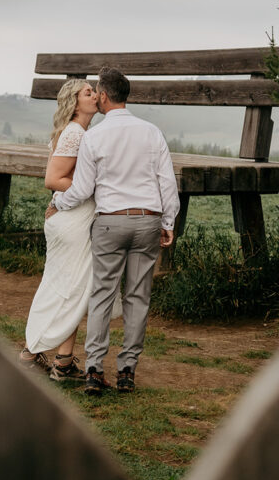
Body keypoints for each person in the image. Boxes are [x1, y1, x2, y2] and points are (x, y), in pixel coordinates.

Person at [47, 66, 180, 395]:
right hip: (147, 220)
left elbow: (81, 188)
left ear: (104, 97)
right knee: (138, 297)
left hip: (110, 222)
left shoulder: (95, 136)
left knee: (102, 295)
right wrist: (167, 223)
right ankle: (127, 372)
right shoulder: (152, 132)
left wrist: (58, 204)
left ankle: (93, 369)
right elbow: (167, 184)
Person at [19, 78, 99, 381]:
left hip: (72, 219)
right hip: (72, 222)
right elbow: (53, 179)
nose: (94, 95)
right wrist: (93, 190)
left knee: (74, 289)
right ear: (75, 102)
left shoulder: (79, 132)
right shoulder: (75, 133)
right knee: (64, 290)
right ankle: (29, 352)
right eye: (88, 93)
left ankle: (63, 363)